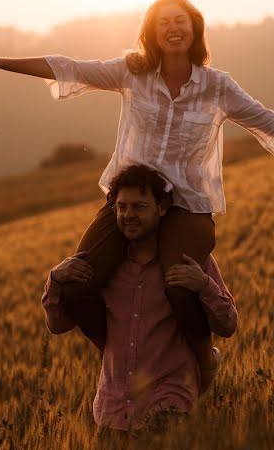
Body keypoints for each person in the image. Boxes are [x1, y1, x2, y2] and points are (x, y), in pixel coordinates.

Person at [0, 0, 274, 392]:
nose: (173, 28)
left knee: (179, 285)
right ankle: (117, 360)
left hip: (187, 207)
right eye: (163, 23)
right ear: (152, 33)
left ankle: (202, 361)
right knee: (78, 282)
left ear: (194, 29)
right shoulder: (132, 72)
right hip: (131, 202)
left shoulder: (217, 86)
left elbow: (271, 121)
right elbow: (69, 66)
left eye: (181, 21)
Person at [41, 164, 238, 431]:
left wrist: (204, 285)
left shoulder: (187, 260)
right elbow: (57, 326)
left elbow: (228, 325)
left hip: (170, 407)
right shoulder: (104, 268)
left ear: (161, 208)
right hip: (111, 412)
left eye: (139, 207)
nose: (128, 215)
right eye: (122, 207)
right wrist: (54, 280)